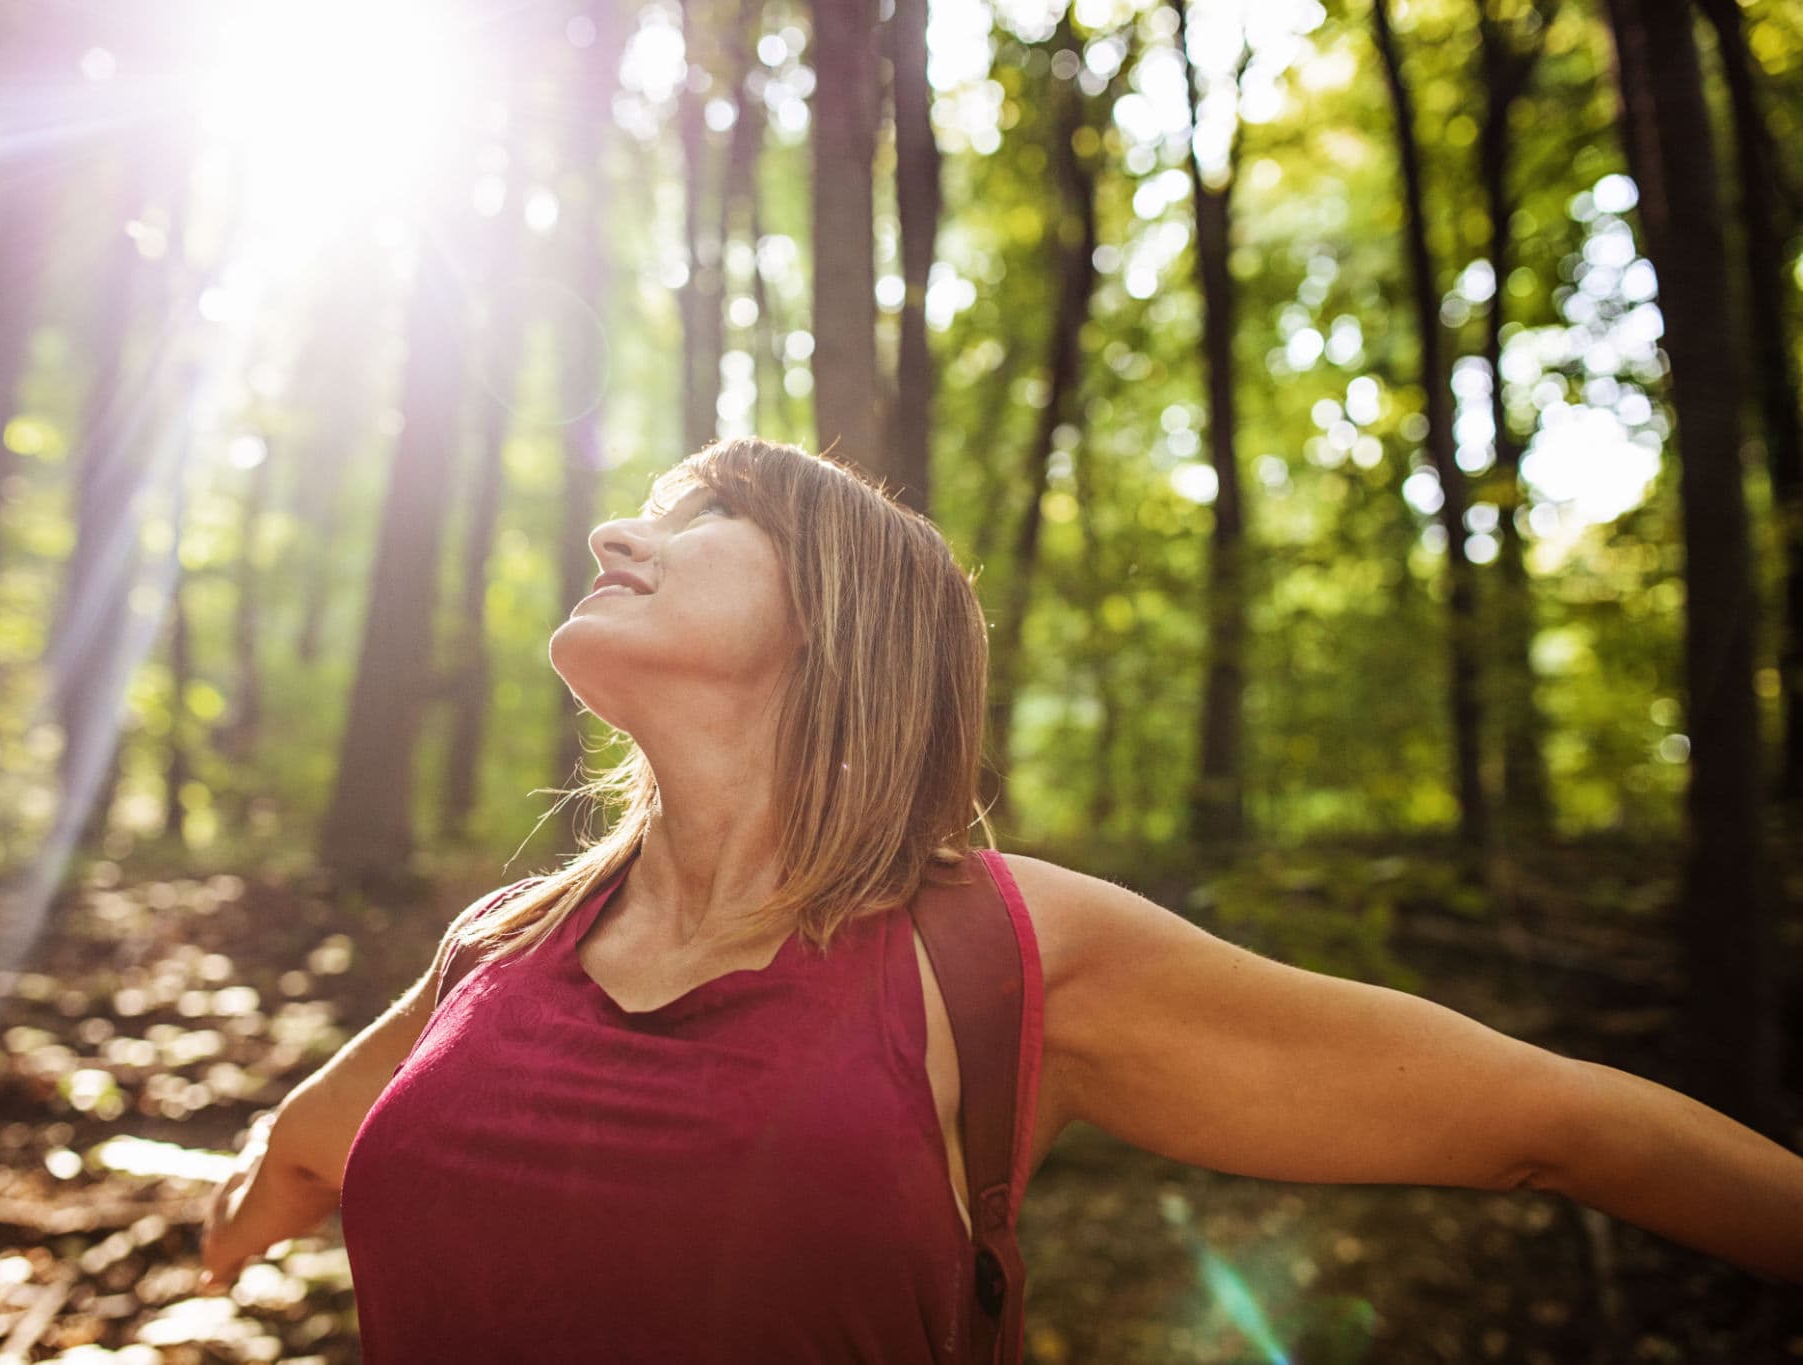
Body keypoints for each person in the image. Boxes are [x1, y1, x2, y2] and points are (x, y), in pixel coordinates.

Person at [200, 437, 1802, 1360]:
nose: (621, 527)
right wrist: (249, 1200)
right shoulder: (504, 942)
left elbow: (1564, 1122)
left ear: (843, 620)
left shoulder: (995, 952)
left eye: (708, 518)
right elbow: (314, 1144)